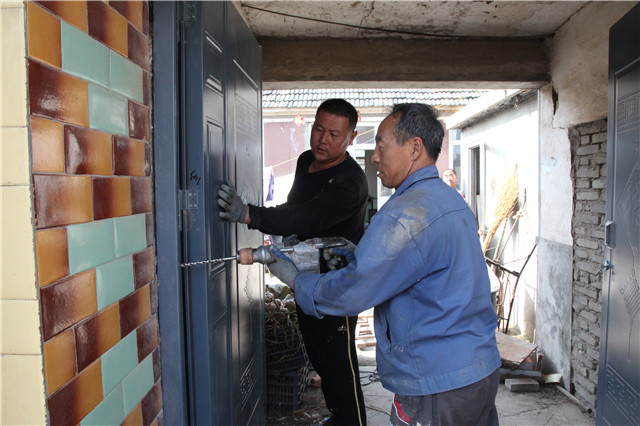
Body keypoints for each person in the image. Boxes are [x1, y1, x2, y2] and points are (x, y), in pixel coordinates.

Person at [268, 103, 501, 426]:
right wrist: (362, 253)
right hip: (479, 367)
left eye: (381, 145)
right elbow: (420, 266)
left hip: (436, 382)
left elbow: (353, 291)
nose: (375, 156)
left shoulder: (405, 214)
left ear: (415, 148)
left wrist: (296, 280)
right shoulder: (449, 200)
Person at [218, 99, 369, 426]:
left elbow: (307, 216)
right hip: (303, 276)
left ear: (351, 138)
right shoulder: (305, 161)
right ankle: (337, 418)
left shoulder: (350, 182)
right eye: (318, 129)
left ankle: (352, 421)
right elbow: (293, 207)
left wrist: (250, 214)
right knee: (319, 356)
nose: (322, 140)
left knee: (339, 366)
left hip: (336, 285)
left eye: (334, 134)